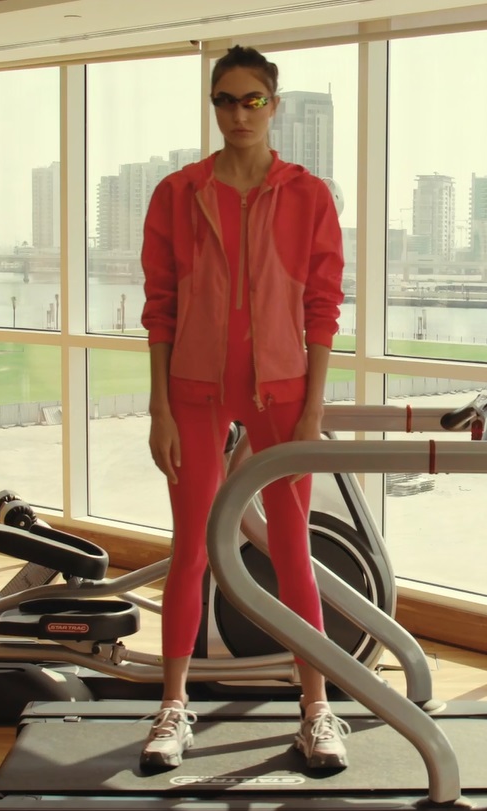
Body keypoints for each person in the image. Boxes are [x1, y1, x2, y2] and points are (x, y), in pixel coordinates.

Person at [137, 45, 350, 772]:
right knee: (191, 548)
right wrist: (160, 409)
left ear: (274, 105)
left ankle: (315, 710)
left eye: (252, 100)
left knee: (291, 548)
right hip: (193, 391)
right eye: (225, 100)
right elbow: (160, 307)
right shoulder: (177, 192)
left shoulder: (309, 195)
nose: (238, 114)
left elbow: (323, 308)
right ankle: (172, 707)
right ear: (214, 107)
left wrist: (313, 410)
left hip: (282, 392)